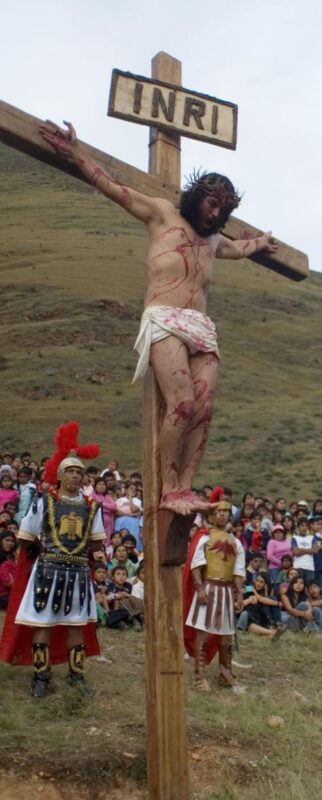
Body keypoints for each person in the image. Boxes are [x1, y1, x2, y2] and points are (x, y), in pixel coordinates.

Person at [38, 119, 277, 516]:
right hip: (164, 318)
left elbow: (237, 250)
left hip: (202, 327)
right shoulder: (163, 214)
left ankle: (185, 486)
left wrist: (260, 243)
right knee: (181, 401)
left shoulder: (215, 239)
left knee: (203, 407)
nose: (214, 212)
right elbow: (113, 187)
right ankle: (168, 489)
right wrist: (77, 152)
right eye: (211, 202)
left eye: (222, 209)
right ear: (197, 195)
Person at [0, 422, 104, 698]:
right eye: (70, 471)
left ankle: (76, 675)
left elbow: (96, 541)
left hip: (79, 572)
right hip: (48, 570)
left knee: (75, 624)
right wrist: (35, 552)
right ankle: (41, 676)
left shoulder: (92, 507)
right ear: (59, 474)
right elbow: (25, 534)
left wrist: (100, 560)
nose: (75, 475)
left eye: (79, 472)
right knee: (42, 623)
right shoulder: (44, 500)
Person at [182, 489, 245, 690]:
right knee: (204, 634)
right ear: (212, 514)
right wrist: (199, 588)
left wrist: (239, 594)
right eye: (219, 511)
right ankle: (200, 677)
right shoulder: (204, 538)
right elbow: (196, 565)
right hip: (208, 589)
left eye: (226, 512)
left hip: (226, 592)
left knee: (226, 635)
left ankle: (225, 674)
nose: (222, 515)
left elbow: (238, 570)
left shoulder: (235, 542)